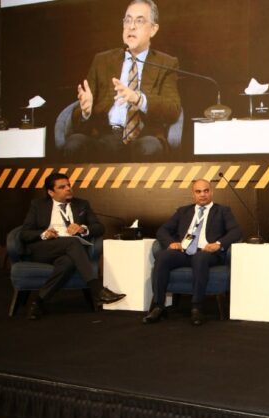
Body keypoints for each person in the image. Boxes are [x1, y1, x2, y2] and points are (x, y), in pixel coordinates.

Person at [64, 0, 181, 160]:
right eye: (128, 20)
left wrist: (138, 99)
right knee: (75, 144)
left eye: (139, 21)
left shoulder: (166, 63)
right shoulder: (102, 61)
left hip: (144, 137)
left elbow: (173, 109)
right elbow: (79, 115)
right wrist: (86, 111)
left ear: (153, 29)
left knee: (149, 147)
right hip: (105, 136)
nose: (131, 26)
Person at [20, 173, 126, 320]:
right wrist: (44, 234)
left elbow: (99, 227)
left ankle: (38, 302)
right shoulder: (38, 205)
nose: (68, 189)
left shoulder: (82, 204)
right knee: (73, 242)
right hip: (45, 248)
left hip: (71, 251)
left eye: (69, 185)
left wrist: (82, 229)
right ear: (51, 192)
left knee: (67, 262)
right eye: (62, 187)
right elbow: (24, 233)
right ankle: (97, 289)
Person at [143, 179, 242, 326]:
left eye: (206, 191)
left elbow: (236, 231)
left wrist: (218, 244)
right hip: (184, 252)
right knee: (163, 256)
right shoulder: (183, 211)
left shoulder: (222, 211)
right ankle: (158, 307)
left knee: (199, 257)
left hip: (208, 253)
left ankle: (197, 307)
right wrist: (171, 243)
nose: (203, 194)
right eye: (198, 191)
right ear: (193, 194)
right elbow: (162, 230)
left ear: (211, 192)